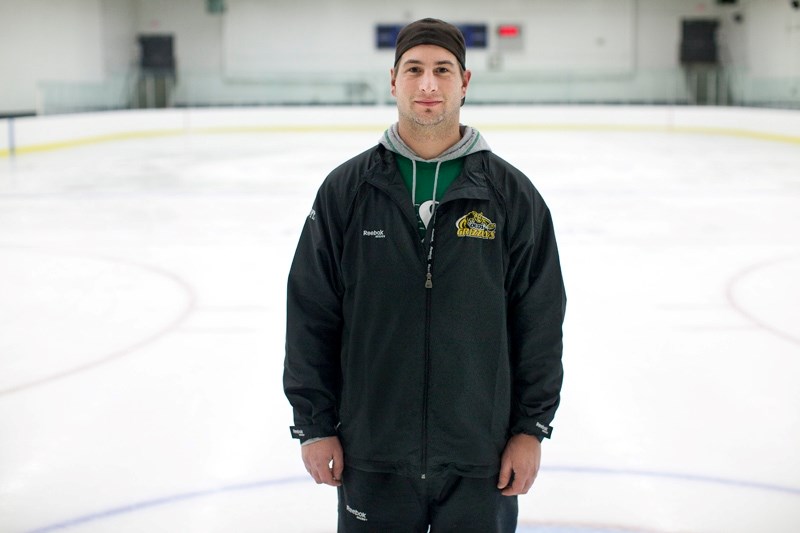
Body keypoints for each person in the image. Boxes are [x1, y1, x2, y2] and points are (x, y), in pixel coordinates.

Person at [284, 17, 566, 532]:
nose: (429, 84)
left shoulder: (511, 196)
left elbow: (540, 319)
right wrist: (314, 425)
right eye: (414, 70)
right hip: (372, 453)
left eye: (442, 70)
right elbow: (311, 311)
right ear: (394, 81)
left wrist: (531, 429)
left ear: (465, 81)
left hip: (480, 457)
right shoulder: (347, 191)